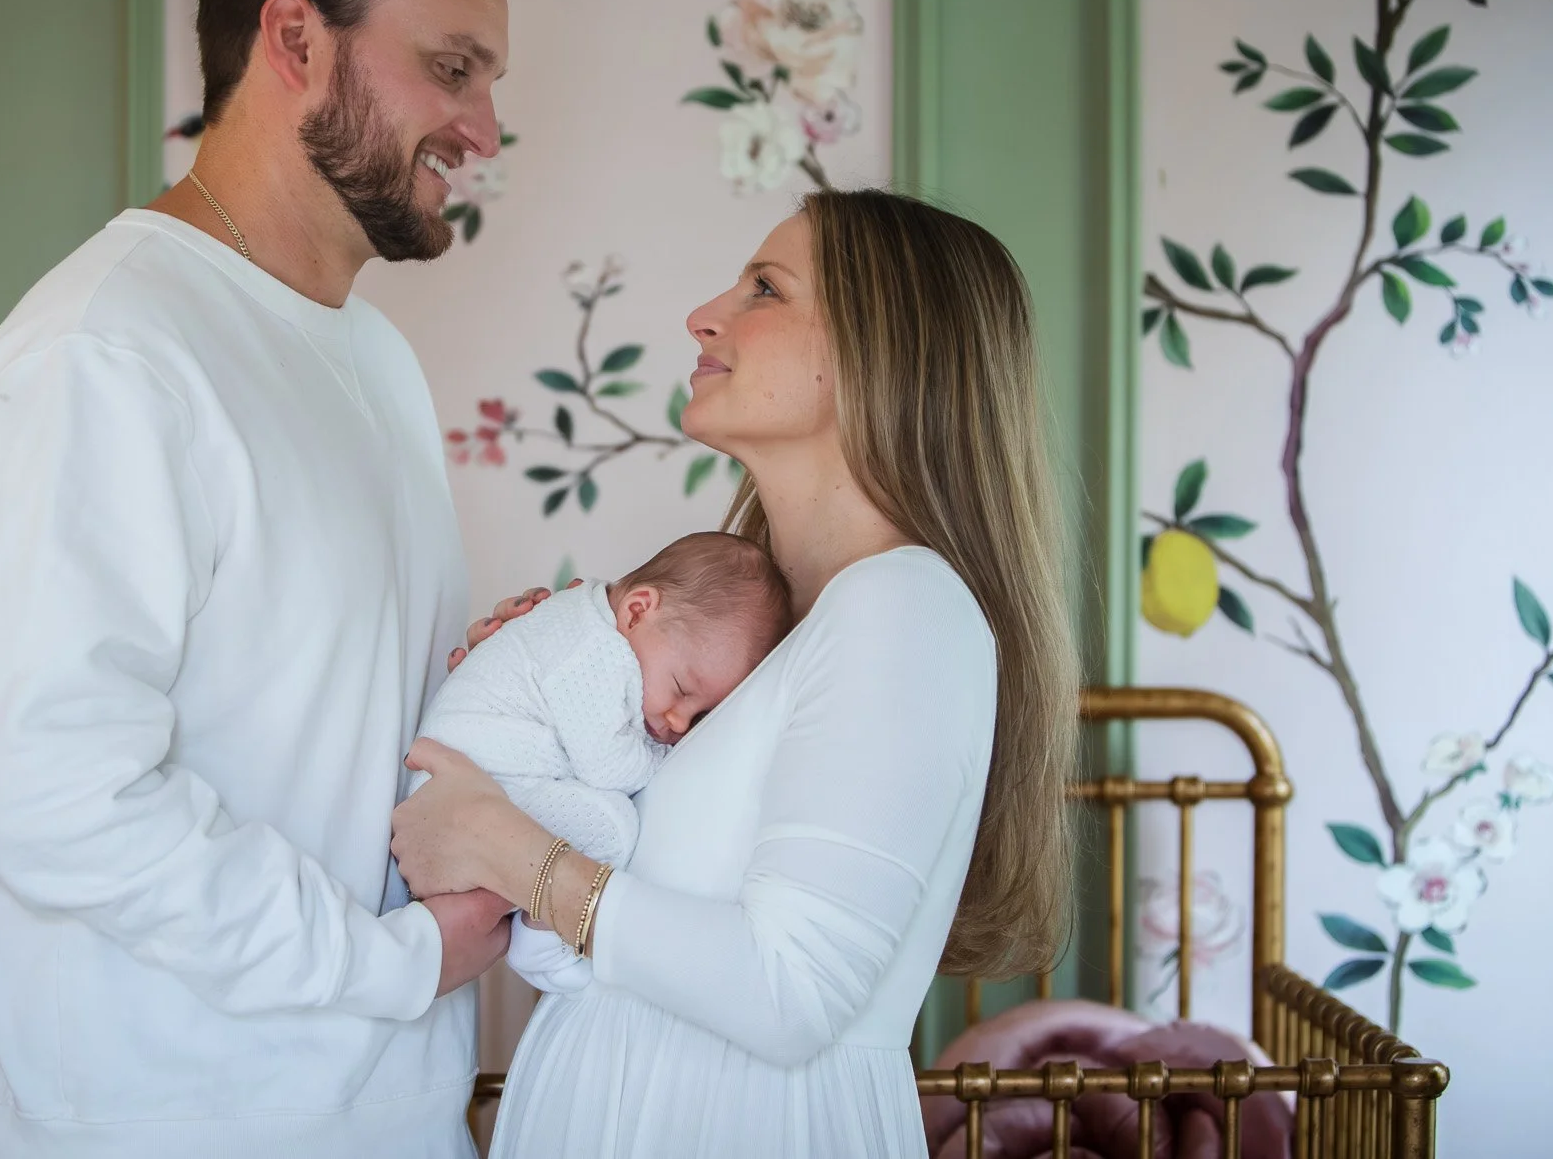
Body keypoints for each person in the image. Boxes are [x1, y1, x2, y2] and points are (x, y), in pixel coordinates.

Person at [0, 0, 518, 1157]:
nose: (482, 131)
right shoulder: (103, 354)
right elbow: (53, 793)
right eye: (453, 68)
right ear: (295, 35)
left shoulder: (372, 359)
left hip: (384, 1117)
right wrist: (391, 963)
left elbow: (314, 723)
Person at [392, 189, 1081, 1157]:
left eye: (764, 287)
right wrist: (526, 714)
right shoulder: (777, 628)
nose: (702, 315)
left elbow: (789, 992)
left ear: (876, 352)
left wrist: (504, 846)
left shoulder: (901, 610)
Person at [407, 532, 793, 993]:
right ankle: (539, 944)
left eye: (699, 715)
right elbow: (608, 770)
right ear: (637, 610)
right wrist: (670, 759)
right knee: (614, 827)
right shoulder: (597, 653)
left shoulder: (588, 618)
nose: (677, 722)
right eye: (681, 691)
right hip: (470, 785)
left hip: (467, 782)